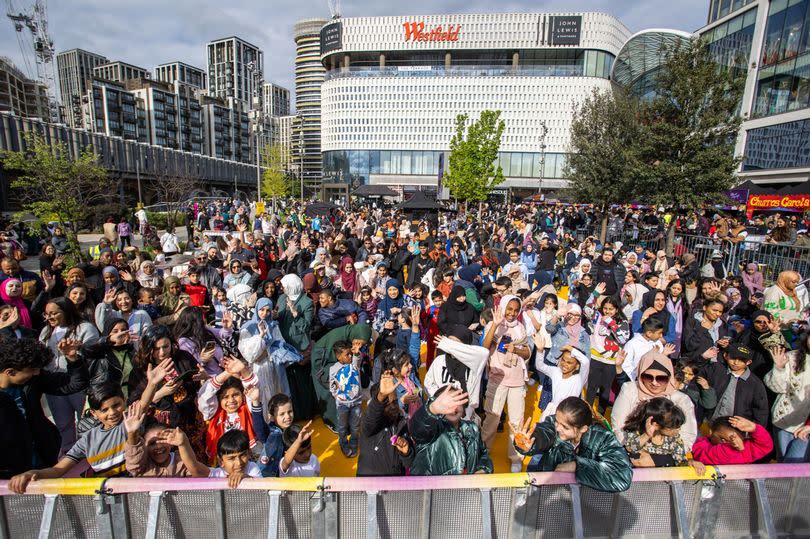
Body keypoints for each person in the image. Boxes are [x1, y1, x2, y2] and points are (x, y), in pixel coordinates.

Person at [9, 384, 129, 493]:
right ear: (94, 413)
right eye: (104, 410)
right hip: (108, 497)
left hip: (138, 492)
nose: (112, 412)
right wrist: (32, 473)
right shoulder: (88, 439)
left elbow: (143, 405)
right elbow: (58, 470)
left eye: (116, 405)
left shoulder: (131, 422)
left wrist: (149, 384)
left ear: (125, 401)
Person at [0, 337, 88, 479]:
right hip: (8, 469)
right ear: (10, 372)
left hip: (41, 461)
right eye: (32, 370)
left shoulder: (34, 380)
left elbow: (74, 384)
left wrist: (73, 359)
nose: (36, 373)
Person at [512, 396, 633, 492]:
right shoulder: (556, 427)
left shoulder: (602, 439)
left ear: (583, 429)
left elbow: (622, 476)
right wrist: (531, 442)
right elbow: (546, 432)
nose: (558, 428)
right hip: (549, 495)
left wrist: (578, 466)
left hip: (586, 503)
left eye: (565, 427)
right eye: (557, 422)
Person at [480, 295, 530, 472]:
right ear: (502, 307)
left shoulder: (521, 328)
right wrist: (494, 324)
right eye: (509, 309)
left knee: (517, 420)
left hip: (516, 381)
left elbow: (527, 353)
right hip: (497, 379)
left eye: (516, 310)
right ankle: (483, 454)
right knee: (492, 419)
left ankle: (516, 456)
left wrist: (515, 349)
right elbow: (485, 347)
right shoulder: (494, 325)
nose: (512, 313)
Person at [611, 350, 698, 449]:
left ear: (669, 377)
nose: (654, 383)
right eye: (648, 377)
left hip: (668, 456)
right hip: (630, 450)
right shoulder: (630, 389)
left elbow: (687, 437)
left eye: (661, 378)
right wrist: (634, 449)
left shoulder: (681, 399)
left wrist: (658, 455)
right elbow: (619, 428)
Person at [409, 385, 493, 476]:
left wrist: (483, 469)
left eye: (457, 402)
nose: (453, 408)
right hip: (434, 488)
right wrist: (432, 409)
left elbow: (483, 454)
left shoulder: (472, 428)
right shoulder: (433, 429)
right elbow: (418, 428)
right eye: (447, 404)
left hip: (464, 488)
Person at [123, 401, 209, 477]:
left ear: (171, 444)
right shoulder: (143, 463)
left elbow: (200, 474)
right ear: (144, 447)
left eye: (163, 440)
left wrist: (183, 444)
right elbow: (134, 461)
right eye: (152, 443)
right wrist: (132, 433)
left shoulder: (181, 460)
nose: (158, 446)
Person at [622, 397, 704, 473]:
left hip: (661, 484)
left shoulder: (674, 439)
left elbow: (680, 462)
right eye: (672, 427)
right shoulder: (638, 432)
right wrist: (647, 435)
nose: (678, 430)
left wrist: (691, 462)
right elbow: (630, 449)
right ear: (656, 425)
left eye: (679, 426)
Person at [357, 371, 415, 477]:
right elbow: (372, 415)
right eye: (387, 401)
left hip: (394, 486)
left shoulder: (402, 422)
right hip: (370, 486)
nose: (393, 402)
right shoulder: (369, 424)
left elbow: (408, 463)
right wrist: (381, 397)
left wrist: (406, 452)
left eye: (394, 398)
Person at [700, 343, 769, 426]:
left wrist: (755, 430)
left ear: (748, 362)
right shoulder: (716, 370)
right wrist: (702, 358)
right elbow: (696, 371)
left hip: (736, 429)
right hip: (709, 422)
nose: (736, 362)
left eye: (741, 360)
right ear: (726, 355)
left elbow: (761, 410)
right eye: (733, 358)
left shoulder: (755, 383)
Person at [765, 343, 810, 462]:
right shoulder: (792, 357)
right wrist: (779, 368)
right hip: (785, 421)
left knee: (796, 466)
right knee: (785, 466)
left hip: (807, 424)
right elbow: (776, 387)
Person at [691, 416, 774, 465]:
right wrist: (734, 448)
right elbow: (713, 456)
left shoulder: (744, 447)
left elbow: (765, 446)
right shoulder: (701, 445)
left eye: (734, 439)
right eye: (722, 439)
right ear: (711, 432)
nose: (730, 443)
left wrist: (755, 429)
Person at [329, 341, 362, 457]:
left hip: (356, 402)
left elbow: (357, 359)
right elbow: (332, 385)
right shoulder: (333, 369)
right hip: (342, 404)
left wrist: (357, 354)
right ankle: (343, 443)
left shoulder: (353, 364)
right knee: (342, 426)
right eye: (347, 354)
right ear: (338, 356)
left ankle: (354, 441)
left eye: (350, 354)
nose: (350, 356)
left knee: (355, 425)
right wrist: (336, 395)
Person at [250, 393, 295, 477]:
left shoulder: (295, 432)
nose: (288, 416)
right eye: (282, 414)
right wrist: (255, 402)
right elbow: (259, 427)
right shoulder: (271, 433)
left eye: (290, 412)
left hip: (289, 476)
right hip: (270, 478)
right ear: (271, 417)